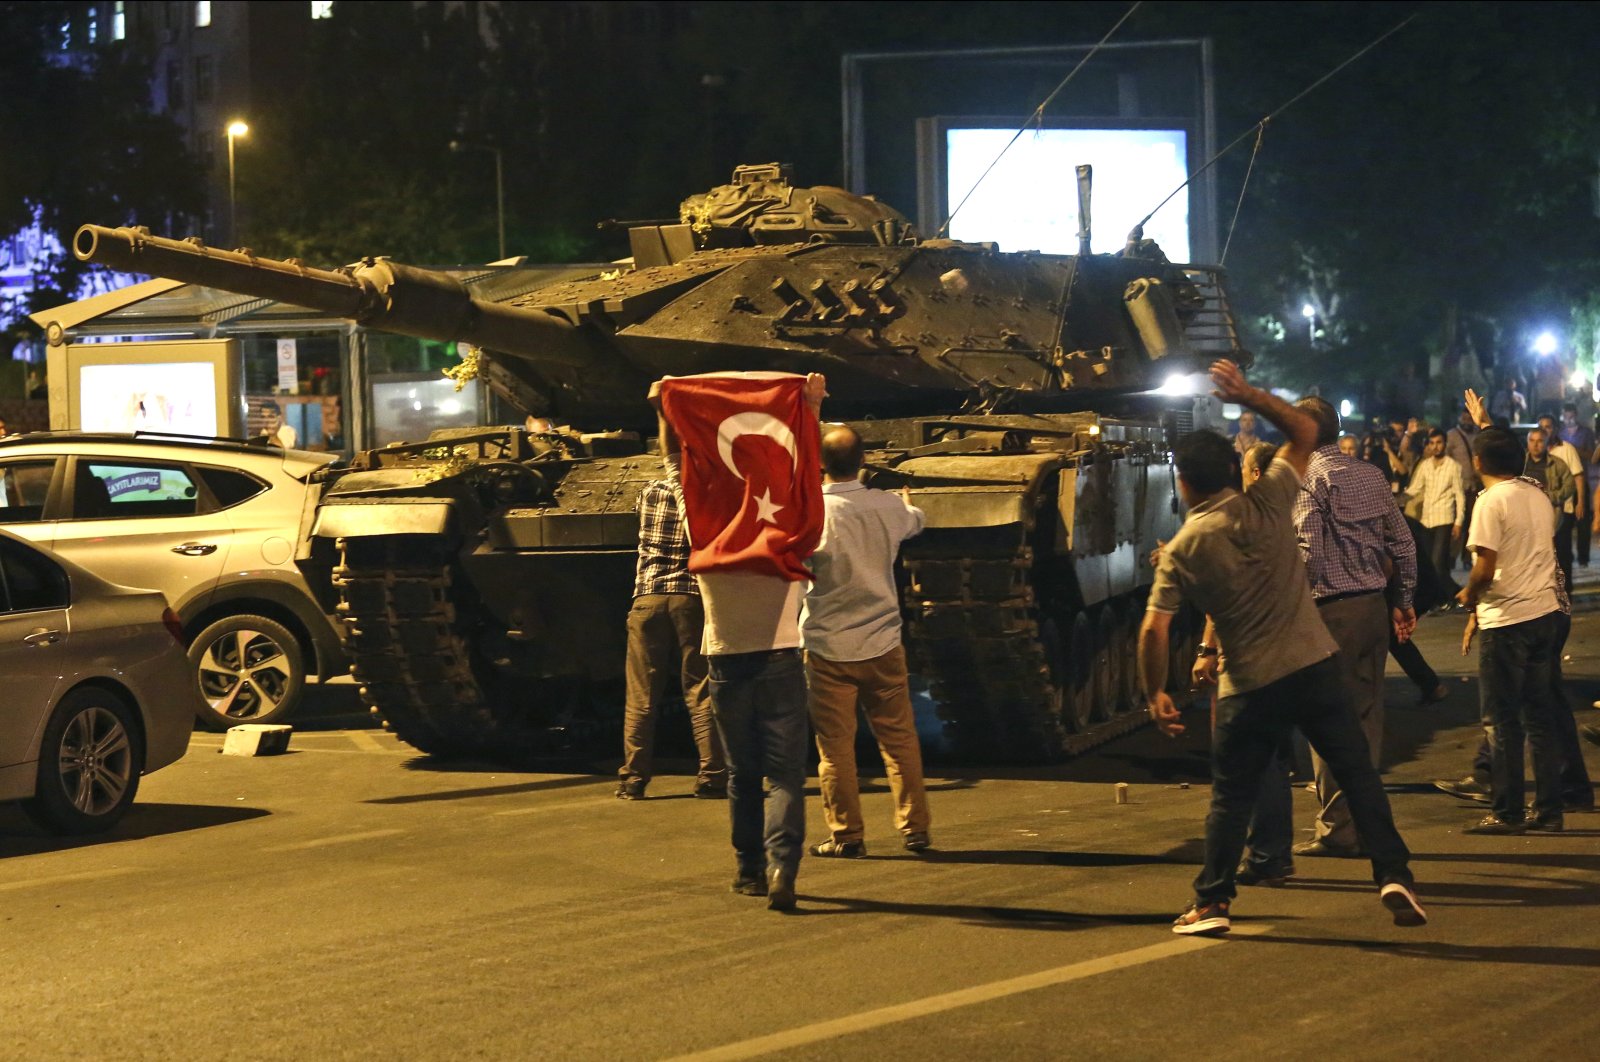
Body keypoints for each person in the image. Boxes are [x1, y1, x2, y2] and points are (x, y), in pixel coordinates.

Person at [1142, 359, 1425, 935]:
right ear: (1234, 471)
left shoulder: (1183, 549)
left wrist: (1155, 692)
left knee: (1231, 797)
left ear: (1184, 482)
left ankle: (1213, 901)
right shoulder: (1271, 499)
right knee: (1358, 772)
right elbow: (1303, 431)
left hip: (1251, 681)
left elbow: (1154, 630)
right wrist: (1251, 396)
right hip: (1315, 662)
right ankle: (1394, 873)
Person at [650, 372, 826, 912]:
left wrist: (666, 409)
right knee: (786, 776)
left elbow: (678, 468)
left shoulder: (706, 536)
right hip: (779, 664)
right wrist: (812, 408)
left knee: (742, 774)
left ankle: (747, 869)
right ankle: (782, 868)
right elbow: (807, 478)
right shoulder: (788, 536)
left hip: (725, 668)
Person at [1288, 395, 1417, 859]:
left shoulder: (1309, 481)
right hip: (1372, 610)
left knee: (1326, 722)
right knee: (1366, 719)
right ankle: (1363, 825)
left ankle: (1338, 831)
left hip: (1331, 614)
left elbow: (1309, 555)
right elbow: (1403, 543)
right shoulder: (1370, 474)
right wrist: (1401, 601)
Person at [801, 425, 930, 858]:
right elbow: (915, 522)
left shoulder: (808, 512)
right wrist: (906, 504)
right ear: (863, 461)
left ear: (820, 463)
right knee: (899, 740)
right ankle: (914, 829)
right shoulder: (887, 505)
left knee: (834, 750)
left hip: (826, 648)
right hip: (883, 643)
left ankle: (847, 835)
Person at [1454, 427, 1566, 834]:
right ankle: (1550, 812)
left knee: (1501, 721)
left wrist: (1468, 595)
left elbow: (1485, 568)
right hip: (1544, 613)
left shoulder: (1490, 502)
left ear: (1478, 462)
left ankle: (1508, 811)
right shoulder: (1536, 495)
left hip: (1507, 620)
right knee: (1539, 717)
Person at [615, 465, 726, 802]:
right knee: (699, 690)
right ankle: (712, 776)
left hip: (647, 598)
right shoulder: (709, 492)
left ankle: (633, 779)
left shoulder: (649, 491)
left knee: (641, 696)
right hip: (691, 599)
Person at [1407, 427, 1467, 601]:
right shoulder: (1425, 465)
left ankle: (1454, 595)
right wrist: (1394, 498)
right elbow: (1414, 489)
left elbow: (1459, 495)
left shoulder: (1453, 466)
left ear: (1445, 444)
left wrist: (1458, 521)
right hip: (1426, 519)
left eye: (1439, 442)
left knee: (1437, 563)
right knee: (1430, 566)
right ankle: (1444, 598)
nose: (1435, 447)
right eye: (1432, 443)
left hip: (1444, 518)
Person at [1524, 426, 1575, 590]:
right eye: (1532, 441)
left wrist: (1550, 496)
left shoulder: (1557, 464)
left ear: (1546, 443)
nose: (1535, 445)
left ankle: (1564, 592)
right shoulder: (1521, 463)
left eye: (1540, 441)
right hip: (1527, 518)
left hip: (1553, 518)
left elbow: (1570, 486)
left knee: (1559, 558)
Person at [1558, 403, 1594, 565]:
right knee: (1564, 523)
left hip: (1581, 480)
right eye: (1566, 416)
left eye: (1571, 416)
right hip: (1563, 483)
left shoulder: (1586, 433)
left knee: (1583, 522)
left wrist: (1573, 450)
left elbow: (1592, 455)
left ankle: (1583, 557)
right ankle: (1566, 556)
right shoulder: (1560, 433)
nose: (1569, 419)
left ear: (1576, 415)